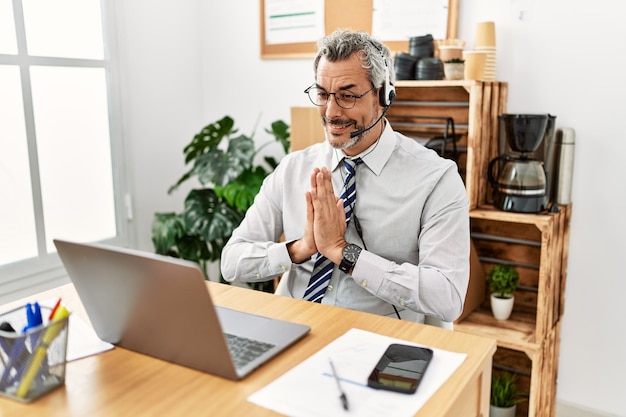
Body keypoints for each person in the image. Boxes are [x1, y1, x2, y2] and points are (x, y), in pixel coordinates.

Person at [221, 29, 470, 323]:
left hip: (377, 340)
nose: (331, 111)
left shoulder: (436, 179)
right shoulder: (293, 169)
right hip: (293, 327)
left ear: (384, 95)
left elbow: (448, 297)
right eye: (323, 94)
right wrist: (302, 248)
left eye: (347, 96)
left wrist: (344, 253)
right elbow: (231, 261)